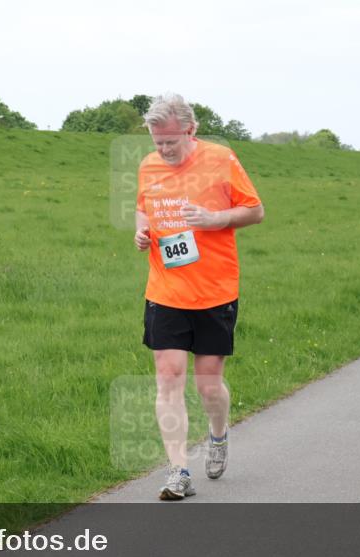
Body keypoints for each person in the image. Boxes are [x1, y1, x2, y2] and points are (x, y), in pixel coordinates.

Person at [133, 93, 264, 500]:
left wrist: (215, 219)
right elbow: (144, 207)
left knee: (209, 385)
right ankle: (178, 472)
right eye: (158, 143)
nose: (164, 150)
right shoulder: (148, 165)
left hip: (214, 289)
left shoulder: (221, 159)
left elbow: (255, 210)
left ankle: (219, 436)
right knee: (168, 376)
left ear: (192, 130)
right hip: (166, 289)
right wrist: (140, 231)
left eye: (171, 142)